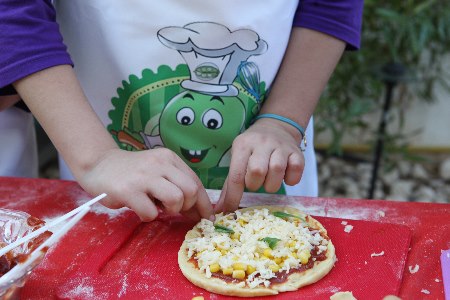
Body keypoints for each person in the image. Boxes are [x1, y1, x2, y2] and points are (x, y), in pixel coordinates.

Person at [0, 0, 363, 221]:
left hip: (273, 154)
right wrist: (97, 158)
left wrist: (282, 120)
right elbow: (15, 9)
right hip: (104, 167)